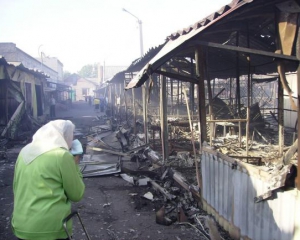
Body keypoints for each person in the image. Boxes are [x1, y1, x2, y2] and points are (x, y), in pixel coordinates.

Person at [11, 120, 85, 240]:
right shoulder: (62, 155)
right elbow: (77, 194)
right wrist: (75, 164)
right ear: (64, 137)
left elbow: (16, 188)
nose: (72, 141)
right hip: (51, 229)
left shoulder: (24, 151)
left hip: (21, 226)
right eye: (72, 136)